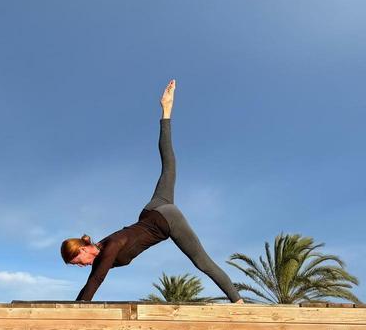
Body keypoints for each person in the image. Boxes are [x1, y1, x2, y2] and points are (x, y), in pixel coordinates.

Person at [62, 80, 244, 303]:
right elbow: (92, 279)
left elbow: (95, 281)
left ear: (82, 250)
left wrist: (76, 310)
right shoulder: (103, 246)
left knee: (202, 262)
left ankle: (239, 302)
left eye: (77, 262)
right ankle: (166, 110)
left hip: (165, 220)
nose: (80, 266)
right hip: (152, 209)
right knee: (168, 166)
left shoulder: (108, 248)